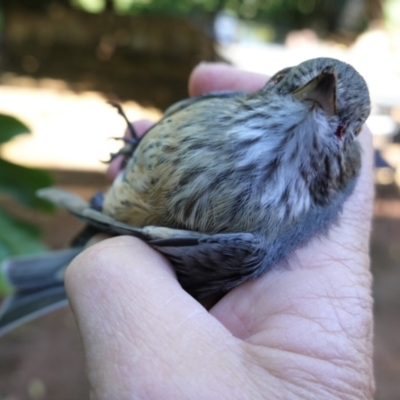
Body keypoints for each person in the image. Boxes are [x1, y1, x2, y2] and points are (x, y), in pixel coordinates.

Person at [65, 63, 374, 399]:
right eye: (284, 82)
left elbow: (131, 247)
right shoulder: (217, 105)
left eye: (349, 127)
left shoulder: (251, 242)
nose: (320, 92)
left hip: (122, 223)